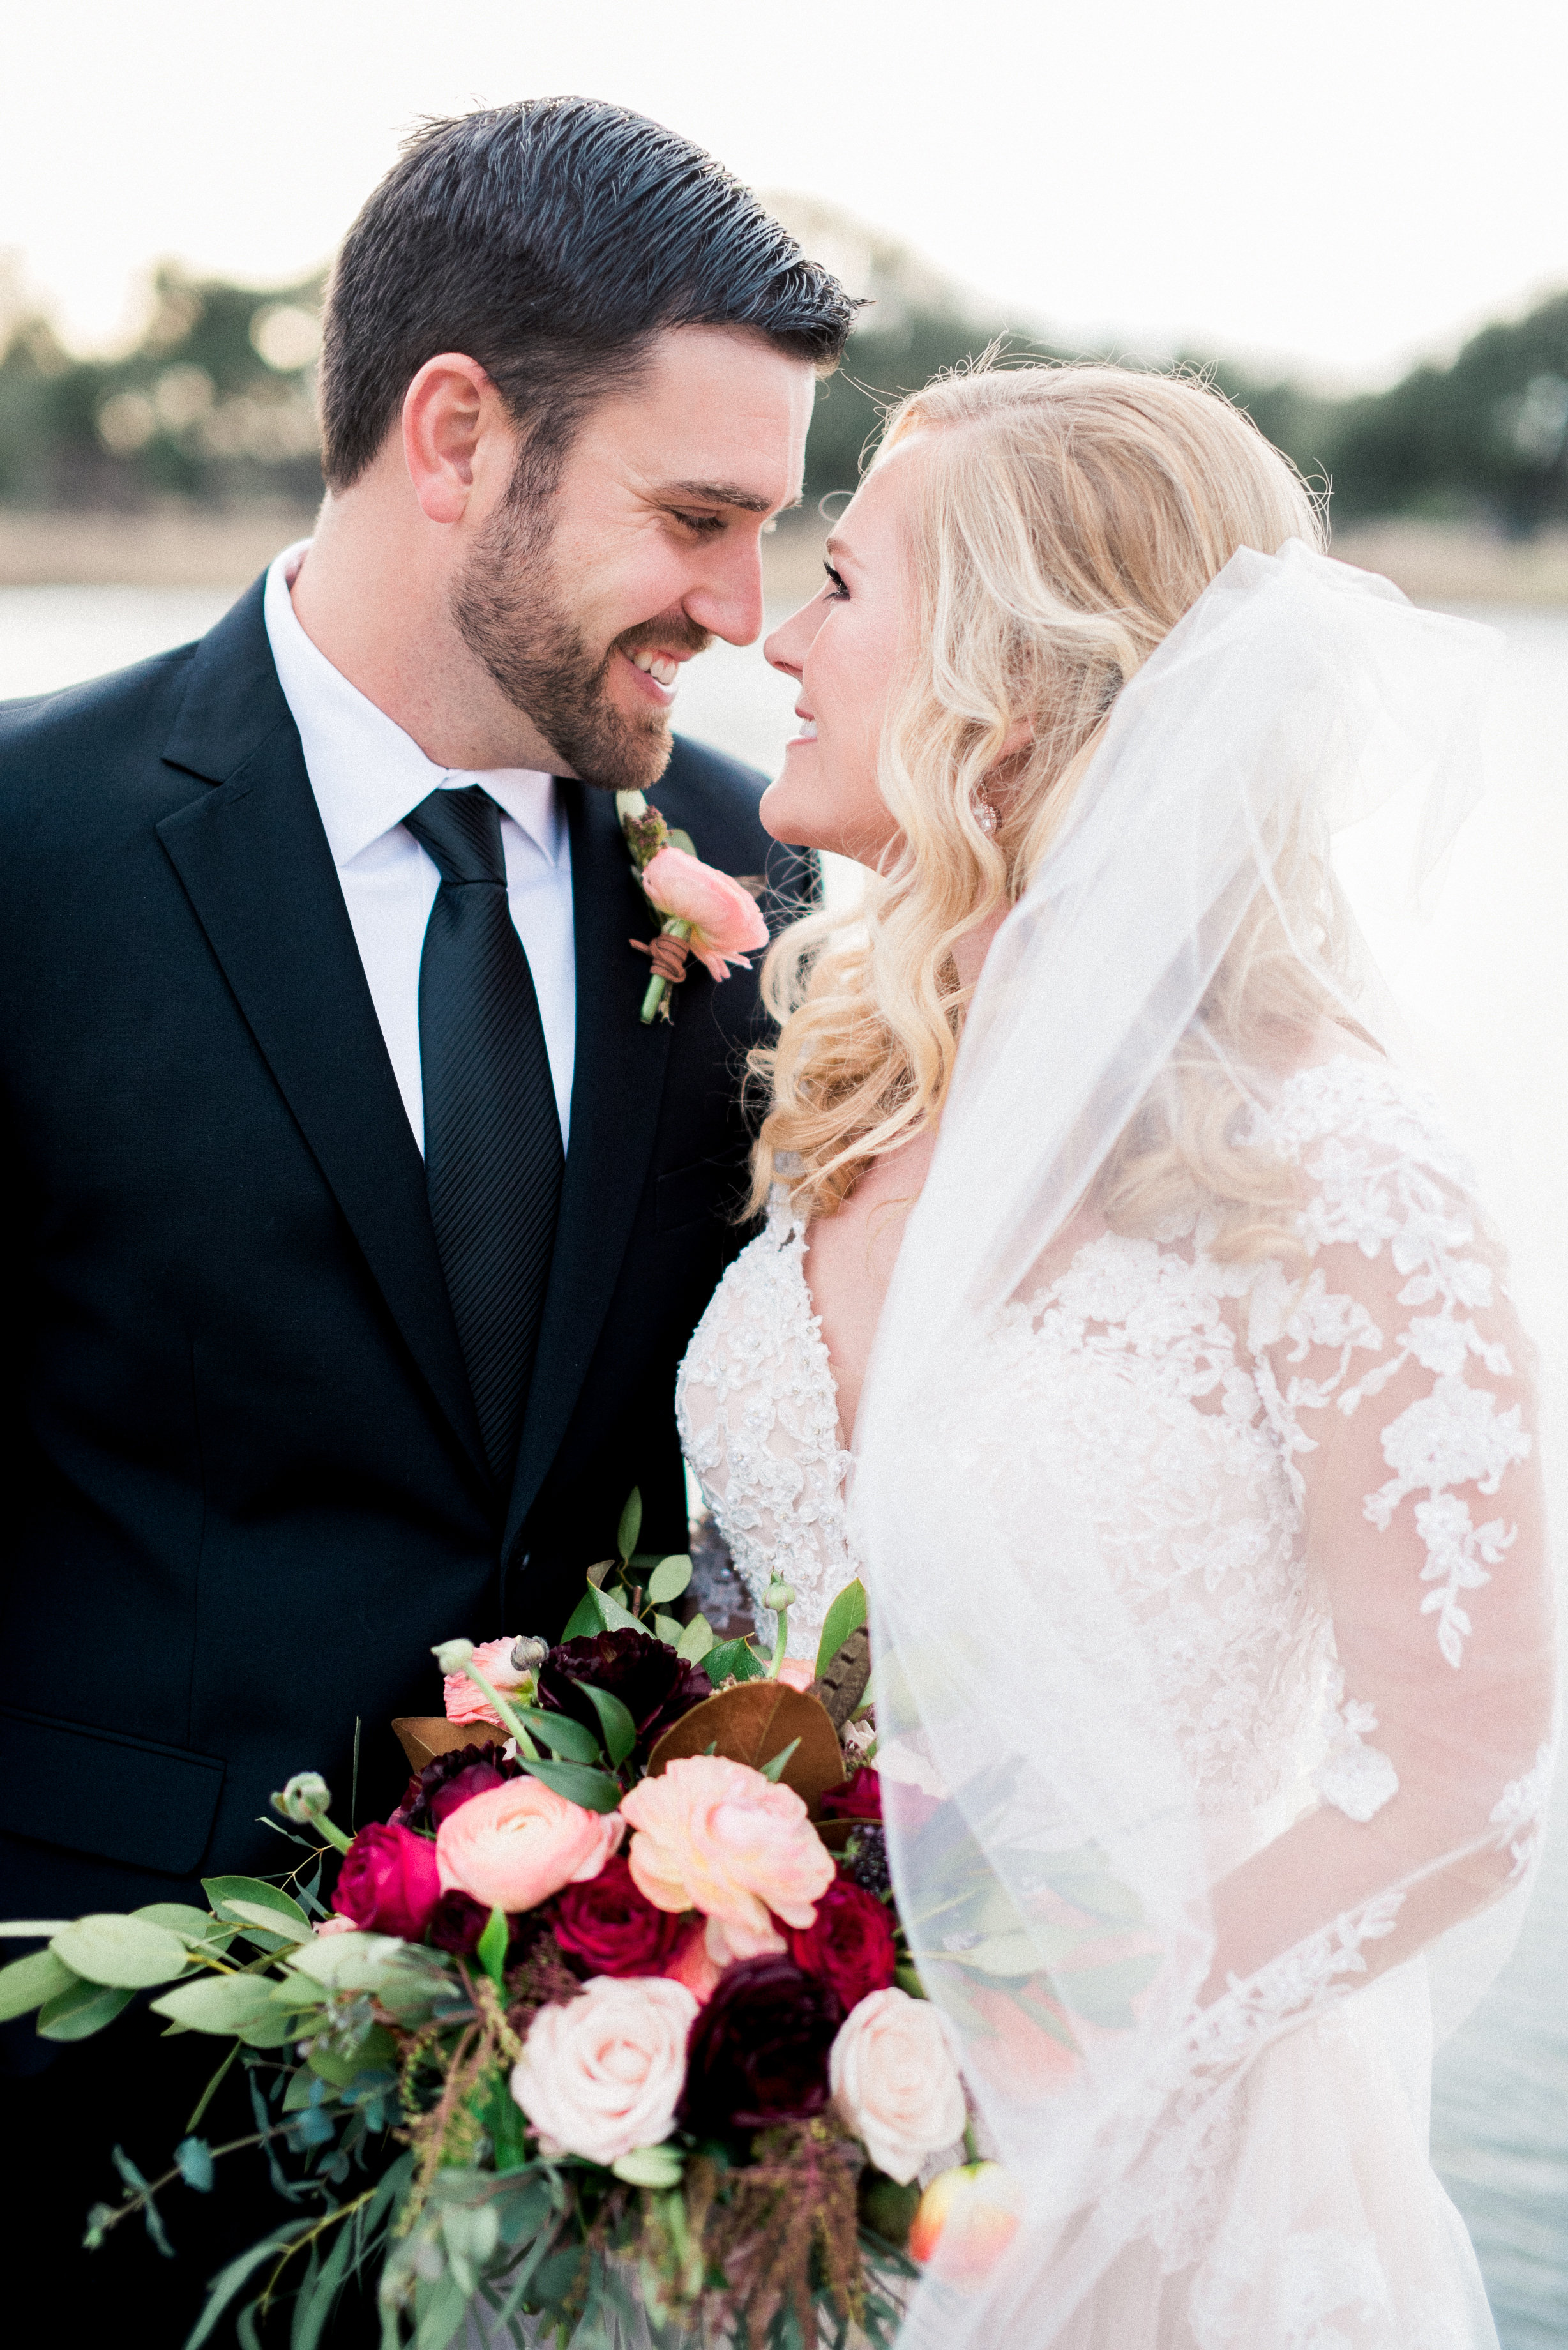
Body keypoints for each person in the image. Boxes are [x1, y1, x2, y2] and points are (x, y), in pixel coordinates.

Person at [0, 97, 850, 2323]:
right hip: (69, 2100)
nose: (745, 616)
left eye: (775, 535)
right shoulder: (26, 851)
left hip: (590, 2136)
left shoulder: (772, 885)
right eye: (696, 518)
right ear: (455, 434)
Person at [678, 364, 1557, 2345]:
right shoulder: (856, 1083)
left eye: (838, 585)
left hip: (1160, 2218)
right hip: (770, 2151)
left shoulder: (1330, 1166)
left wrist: (1036, 2083)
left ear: (1012, 685)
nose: (778, 638)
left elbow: (1462, 1782)